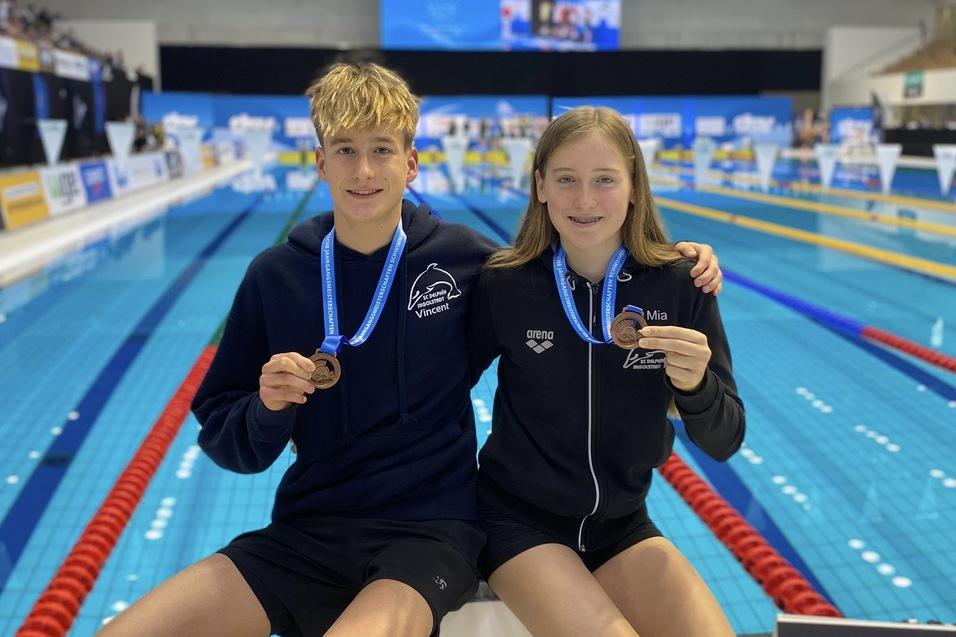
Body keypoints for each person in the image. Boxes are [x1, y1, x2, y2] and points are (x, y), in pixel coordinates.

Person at [98, 65, 723, 637]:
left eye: (380, 150)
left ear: (412, 161)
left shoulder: (469, 263)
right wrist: (266, 409)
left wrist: (678, 267)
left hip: (428, 531)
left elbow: (562, 296)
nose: (363, 171)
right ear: (320, 162)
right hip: (306, 530)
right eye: (345, 151)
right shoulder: (275, 276)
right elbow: (223, 434)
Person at [467, 106, 744, 637]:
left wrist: (695, 386)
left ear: (635, 186)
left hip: (621, 527)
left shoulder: (682, 284)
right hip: (517, 524)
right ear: (540, 186)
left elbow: (725, 440)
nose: (585, 200)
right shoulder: (507, 286)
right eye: (566, 180)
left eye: (605, 180)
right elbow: (437, 383)